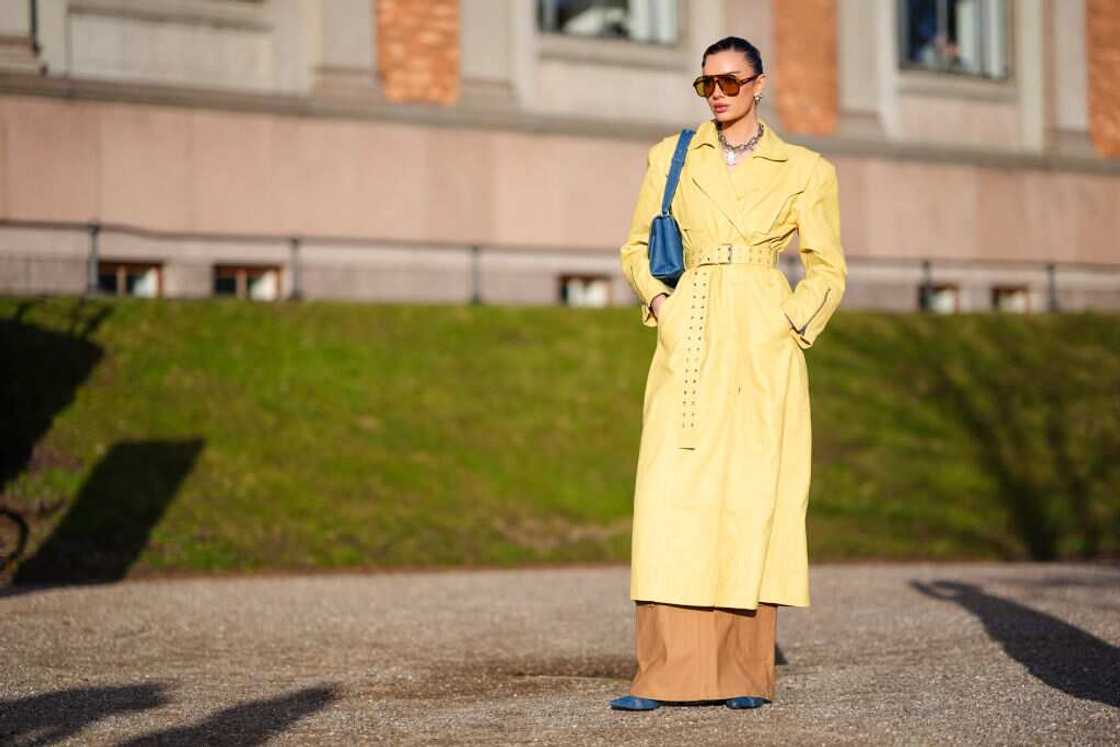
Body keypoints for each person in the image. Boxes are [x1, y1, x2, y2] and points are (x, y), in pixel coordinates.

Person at [610, 35, 846, 711]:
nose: (717, 94)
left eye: (729, 82)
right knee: (669, 494)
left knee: (751, 496)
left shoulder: (806, 168)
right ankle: (661, 672)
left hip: (764, 339)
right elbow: (636, 247)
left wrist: (791, 322)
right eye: (705, 84)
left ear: (759, 84)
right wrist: (661, 301)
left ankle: (744, 671)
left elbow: (828, 268)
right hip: (692, 329)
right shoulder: (672, 156)